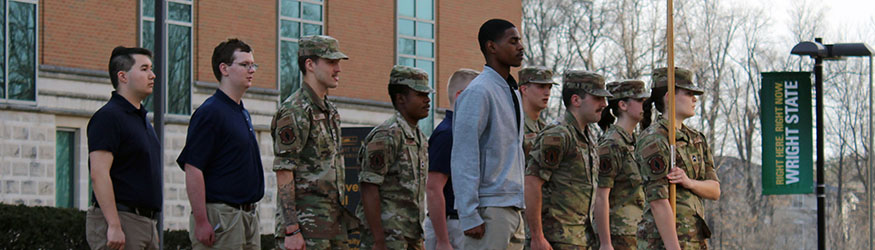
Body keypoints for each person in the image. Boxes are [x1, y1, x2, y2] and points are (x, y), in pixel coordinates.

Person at [177, 38, 264, 249]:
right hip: (222, 217)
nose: (251, 70)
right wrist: (201, 221)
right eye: (244, 64)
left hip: (248, 217)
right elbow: (193, 167)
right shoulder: (210, 112)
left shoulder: (242, 112)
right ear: (224, 69)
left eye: (253, 65)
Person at [271, 35, 354, 250]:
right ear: (310, 65)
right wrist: (292, 230)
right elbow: (284, 171)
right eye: (331, 62)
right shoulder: (295, 111)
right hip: (306, 230)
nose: (338, 69)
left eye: (338, 63)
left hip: (332, 225)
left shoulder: (330, 111)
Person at [451, 18, 527, 250]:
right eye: (513, 41)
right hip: (489, 209)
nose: (521, 47)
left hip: (513, 207)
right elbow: (464, 154)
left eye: (520, 41)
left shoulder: (512, 91)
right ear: (491, 46)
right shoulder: (479, 91)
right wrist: (469, 213)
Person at [635, 67, 721, 250]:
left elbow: (714, 190)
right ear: (669, 97)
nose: (694, 99)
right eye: (688, 93)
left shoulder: (696, 139)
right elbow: (658, 202)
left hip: (694, 240)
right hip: (662, 243)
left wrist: (689, 182)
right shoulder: (655, 139)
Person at [525, 70, 611, 250]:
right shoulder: (558, 135)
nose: (604, 104)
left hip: (581, 239)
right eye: (597, 98)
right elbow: (532, 183)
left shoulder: (589, 136)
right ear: (576, 100)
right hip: (555, 239)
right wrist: (537, 237)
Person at [86, 46, 161, 250]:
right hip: (121, 221)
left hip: (145, 224)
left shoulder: (142, 120)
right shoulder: (108, 118)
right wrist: (114, 225)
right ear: (123, 76)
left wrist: (150, 227)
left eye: (151, 68)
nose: (152, 75)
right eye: (144, 69)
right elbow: (99, 174)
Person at [357, 65, 434, 249]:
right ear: (400, 98)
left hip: (411, 237)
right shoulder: (387, 135)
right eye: (420, 94)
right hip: (388, 237)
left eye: (427, 94)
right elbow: (369, 187)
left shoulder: (420, 138)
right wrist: (378, 240)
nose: (427, 100)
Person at [424, 68, 479, 250]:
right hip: (451, 226)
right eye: (478, 96)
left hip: (462, 223)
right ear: (461, 96)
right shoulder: (448, 134)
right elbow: (433, 188)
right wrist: (443, 240)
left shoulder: (462, 132)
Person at [592, 80, 650, 250]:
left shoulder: (635, 143)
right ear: (623, 105)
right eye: (640, 101)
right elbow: (600, 196)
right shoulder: (611, 144)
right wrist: (605, 243)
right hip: (617, 235)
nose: (645, 105)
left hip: (636, 233)